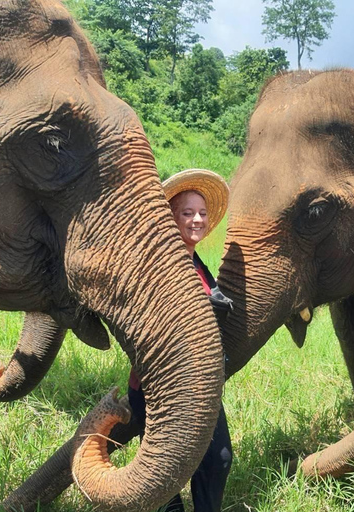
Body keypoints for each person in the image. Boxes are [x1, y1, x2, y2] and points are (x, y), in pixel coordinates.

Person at [127, 168, 234, 512]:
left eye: (202, 213)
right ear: (171, 218)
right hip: (161, 385)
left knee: (218, 459)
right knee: (166, 475)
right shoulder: (159, 265)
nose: (196, 220)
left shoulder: (198, 263)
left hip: (200, 383)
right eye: (187, 213)